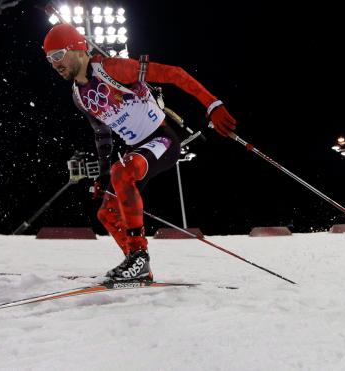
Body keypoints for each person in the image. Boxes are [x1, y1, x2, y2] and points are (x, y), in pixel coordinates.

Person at [42, 24, 237, 281]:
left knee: (122, 172)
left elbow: (175, 74)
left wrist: (213, 104)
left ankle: (139, 257)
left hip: (162, 140)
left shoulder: (112, 69)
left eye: (57, 55)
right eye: (48, 59)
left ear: (77, 49)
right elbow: (102, 135)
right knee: (107, 213)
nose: (54, 64)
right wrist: (102, 177)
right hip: (137, 150)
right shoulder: (79, 96)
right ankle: (137, 268)